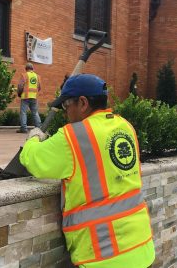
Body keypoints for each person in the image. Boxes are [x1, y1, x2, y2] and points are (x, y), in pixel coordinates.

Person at [20, 74, 155, 268]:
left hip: (103, 257)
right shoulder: (125, 126)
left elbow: (33, 160)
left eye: (67, 106)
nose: (66, 113)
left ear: (82, 103)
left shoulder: (74, 135)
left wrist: (33, 138)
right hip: (142, 248)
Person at [16, 62, 42, 133]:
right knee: (35, 112)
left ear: (26, 69)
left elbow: (20, 86)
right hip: (34, 97)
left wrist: (19, 93)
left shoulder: (24, 75)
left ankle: (24, 128)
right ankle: (39, 127)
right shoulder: (37, 76)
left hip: (25, 97)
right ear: (32, 68)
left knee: (23, 112)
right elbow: (39, 87)